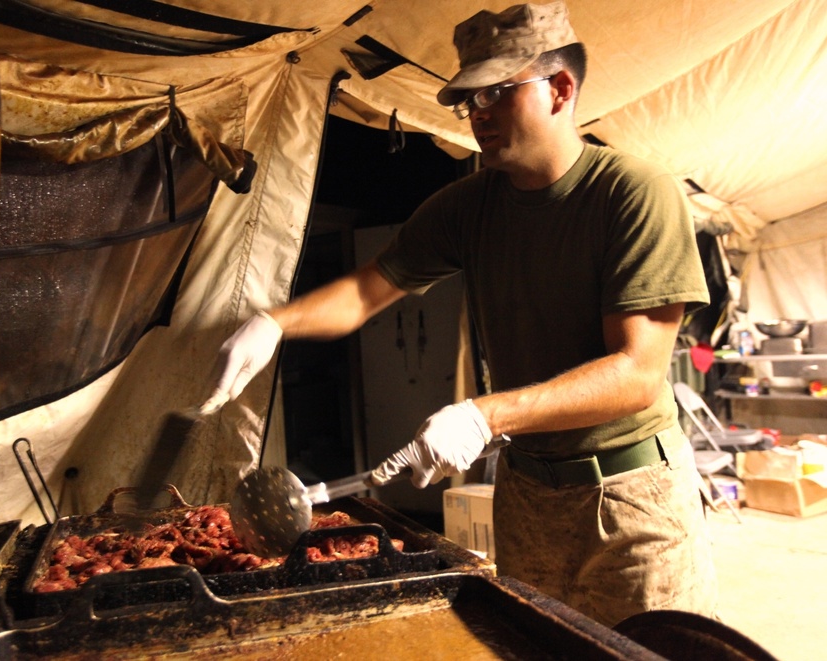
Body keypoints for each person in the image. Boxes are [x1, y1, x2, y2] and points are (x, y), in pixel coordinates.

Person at [201, 0, 718, 627]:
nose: (478, 116)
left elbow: (637, 374)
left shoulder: (631, 193)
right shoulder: (466, 208)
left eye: (497, 93)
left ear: (559, 89)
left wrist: (485, 413)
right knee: (537, 643)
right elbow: (368, 291)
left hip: (631, 496)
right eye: (467, 101)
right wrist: (276, 323)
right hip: (527, 493)